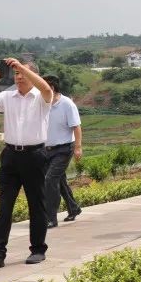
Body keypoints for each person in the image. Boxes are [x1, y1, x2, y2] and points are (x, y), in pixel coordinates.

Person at [0, 58, 53, 269]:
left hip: (35, 155)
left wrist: (22, 66)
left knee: (36, 204)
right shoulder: (7, 96)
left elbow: (46, 87)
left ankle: (38, 249)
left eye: (23, 73)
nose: (19, 76)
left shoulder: (42, 97)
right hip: (11, 155)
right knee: (4, 206)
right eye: (16, 73)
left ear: (33, 75)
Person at [43, 75, 83, 228]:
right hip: (46, 149)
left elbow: (76, 127)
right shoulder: (43, 103)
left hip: (64, 148)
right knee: (59, 181)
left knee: (49, 180)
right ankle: (74, 208)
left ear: (51, 88)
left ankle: (51, 218)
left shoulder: (67, 104)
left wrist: (78, 147)